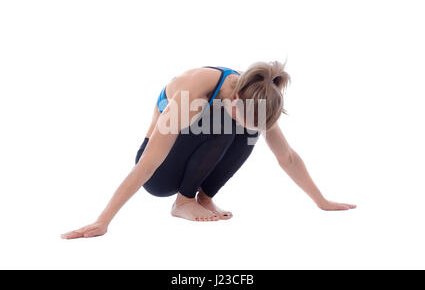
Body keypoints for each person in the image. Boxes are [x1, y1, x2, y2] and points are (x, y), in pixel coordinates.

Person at [61, 61, 356, 240]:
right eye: (248, 118)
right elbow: (148, 164)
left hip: (194, 160)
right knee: (222, 121)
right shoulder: (195, 90)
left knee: (238, 129)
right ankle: (183, 202)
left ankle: (203, 197)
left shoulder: (257, 96)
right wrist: (103, 220)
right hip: (159, 174)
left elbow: (287, 157)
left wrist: (322, 201)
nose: (251, 127)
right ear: (237, 96)